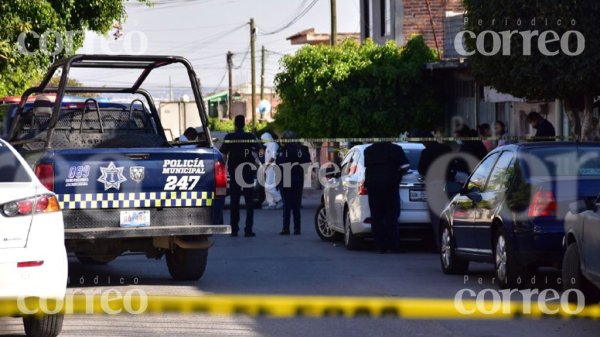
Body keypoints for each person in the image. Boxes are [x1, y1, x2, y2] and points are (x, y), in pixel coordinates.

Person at [364, 141, 410, 253]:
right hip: (390, 185)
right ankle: (393, 245)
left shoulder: (368, 150)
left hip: (373, 185)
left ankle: (380, 246)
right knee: (391, 215)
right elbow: (405, 166)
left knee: (376, 215)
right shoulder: (396, 149)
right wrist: (397, 174)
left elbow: (367, 167)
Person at [219, 115, 260, 237]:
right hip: (248, 172)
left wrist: (223, 170)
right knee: (249, 202)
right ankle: (248, 230)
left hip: (235, 172)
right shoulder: (250, 137)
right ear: (244, 124)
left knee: (234, 202)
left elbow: (224, 156)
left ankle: (234, 229)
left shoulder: (229, 137)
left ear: (235, 124)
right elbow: (259, 151)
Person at [415, 131, 453, 251]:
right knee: (449, 215)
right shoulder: (446, 148)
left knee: (436, 217)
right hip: (449, 183)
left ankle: (440, 245)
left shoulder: (426, 152)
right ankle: (451, 243)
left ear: (426, 140)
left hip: (434, 184)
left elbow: (421, 169)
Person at [276, 131, 311, 235]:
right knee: (296, 204)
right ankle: (297, 228)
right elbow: (307, 162)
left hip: (286, 175)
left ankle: (286, 228)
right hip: (298, 177)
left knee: (286, 205)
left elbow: (279, 164)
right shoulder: (302, 149)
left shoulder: (282, 150)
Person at [261, 132, 283, 209]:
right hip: (268, 169)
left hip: (272, 168)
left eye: (263, 139)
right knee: (267, 187)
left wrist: (267, 165)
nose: (262, 141)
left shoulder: (273, 145)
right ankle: (271, 203)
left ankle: (280, 199)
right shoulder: (269, 146)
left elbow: (273, 157)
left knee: (269, 186)